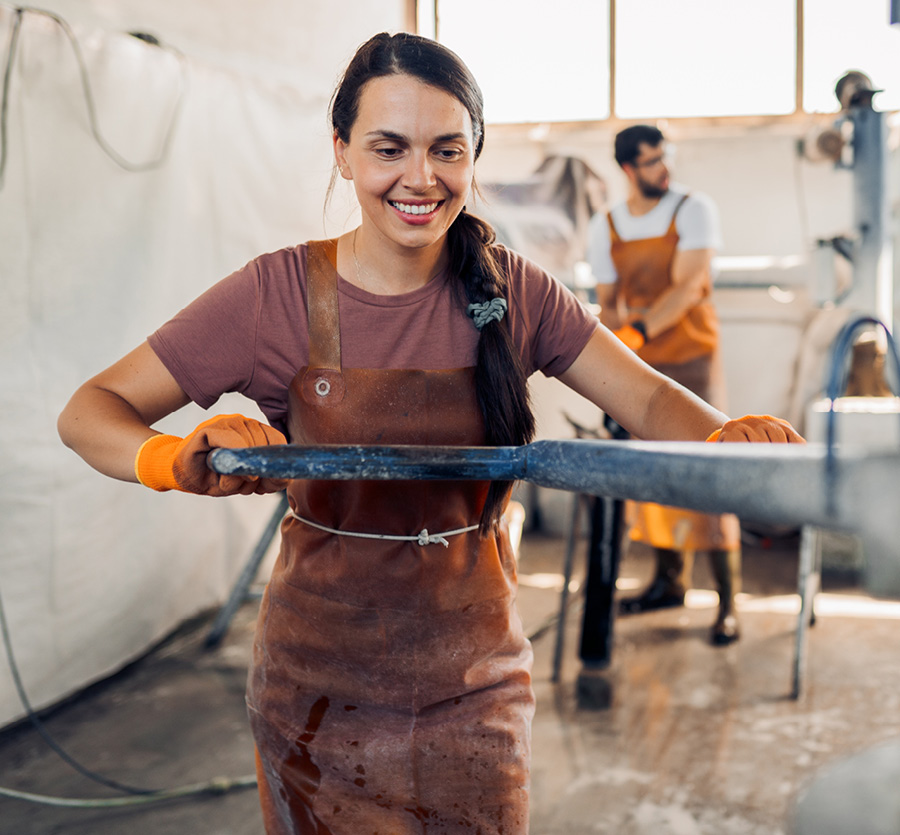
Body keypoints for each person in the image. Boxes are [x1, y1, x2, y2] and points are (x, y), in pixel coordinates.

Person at [58, 34, 803, 835]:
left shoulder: (516, 292)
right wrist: (170, 457)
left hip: (474, 684)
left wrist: (728, 441)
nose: (421, 178)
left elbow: (652, 400)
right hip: (315, 691)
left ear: (474, 152)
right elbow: (90, 409)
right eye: (389, 148)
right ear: (341, 153)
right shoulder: (276, 294)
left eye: (448, 149)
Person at [586, 123, 745, 646]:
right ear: (628, 169)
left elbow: (690, 285)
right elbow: (607, 298)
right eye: (652, 161)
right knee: (652, 478)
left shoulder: (692, 210)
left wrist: (638, 330)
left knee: (711, 470)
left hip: (691, 357)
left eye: (665, 157)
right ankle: (669, 584)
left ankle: (727, 602)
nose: (664, 168)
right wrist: (616, 338)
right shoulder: (605, 225)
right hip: (641, 367)